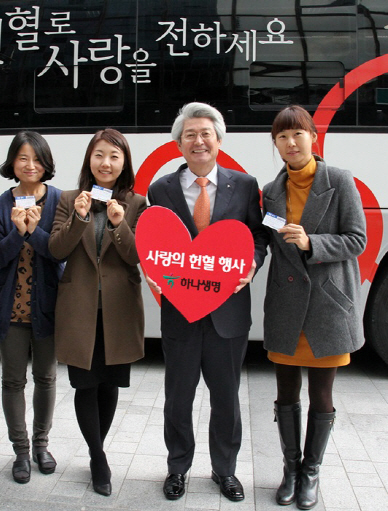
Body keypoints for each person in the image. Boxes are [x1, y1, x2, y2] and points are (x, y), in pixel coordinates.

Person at [146, 102, 269, 502]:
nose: (198, 141)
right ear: (179, 144)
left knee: (226, 398)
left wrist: (252, 263)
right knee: (178, 398)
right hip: (180, 313)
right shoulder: (161, 189)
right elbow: (156, 242)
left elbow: (258, 235)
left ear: (218, 140)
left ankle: (225, 470)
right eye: (190, 135)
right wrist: (151, 267)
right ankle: (177, 468)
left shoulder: (245, 185)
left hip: (228, 315)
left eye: (205, 134)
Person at [262, 105, 366, 510]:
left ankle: (311, 472)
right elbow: (266, 240)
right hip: (286, 305)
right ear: (275, 144)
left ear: (313, 137)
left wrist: (312, 243)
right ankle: (290, 469)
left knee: (322, 393)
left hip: (327, 306)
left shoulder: (339, 180)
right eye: (282, 137)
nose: (291, 143)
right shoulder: (271, 191)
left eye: (298, 134)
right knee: (285, 391)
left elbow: (357, 239)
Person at [48, 128, 146, 497]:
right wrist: (78, 217)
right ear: (89, 159)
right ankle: (97, 457)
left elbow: (136, 256)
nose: (106, 163)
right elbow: (56, 250)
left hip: (119, 309)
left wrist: (120, 224)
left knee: (110, 383)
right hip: (79, 309)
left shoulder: (137, 203)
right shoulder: (69, 199)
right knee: (85, 384)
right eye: (99, 155)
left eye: (114, 156)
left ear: (124, 163)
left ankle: (96, 452)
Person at [0, 131, 63, 483]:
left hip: (50, 308)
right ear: (12, 163)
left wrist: (34, 232)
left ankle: (41, 445)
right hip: (11, 308)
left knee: (46, 377)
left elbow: (60, 252)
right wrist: (18, 232)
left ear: (46, 163)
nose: (30, 165)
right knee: (13, 380)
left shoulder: (60, 200)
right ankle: (20, 451)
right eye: (22, 158)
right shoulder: (1, 205)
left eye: (36, 159)